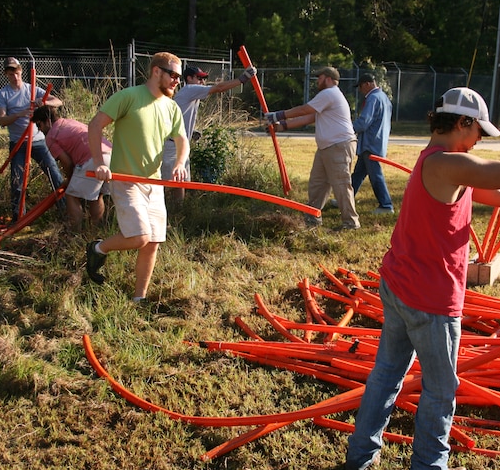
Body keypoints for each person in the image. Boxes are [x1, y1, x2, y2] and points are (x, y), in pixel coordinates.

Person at [345, 87, 500, 470]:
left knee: (387, 374)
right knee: (439, 392)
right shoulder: (447, 164)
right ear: (462, 122)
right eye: (478, 133)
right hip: (429, 302)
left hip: (401, 287)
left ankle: (360, 456)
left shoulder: (440, 164)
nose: (478, 141)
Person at [85, 52, 189, 302]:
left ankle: (138, 299)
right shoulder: (128, 97)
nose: (177, 81)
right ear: (156, 71)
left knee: (152, 242)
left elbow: (182, 139)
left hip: (153, 184)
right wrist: (100, 163)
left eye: (179, 77)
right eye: (173, 75)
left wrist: (180, 162)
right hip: (126, 180)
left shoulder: (171, 107)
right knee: (139, 237)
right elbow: (95, 125)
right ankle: (97, 248)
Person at [266, 66, 360, 230]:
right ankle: (312, 218)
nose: (317, 81)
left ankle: (351, 223)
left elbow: (304, 110)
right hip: (327, 147)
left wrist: (278, 115)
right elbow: (309, 117)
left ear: (328, 79)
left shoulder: (329, 93)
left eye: (320, 77)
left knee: (341, 184)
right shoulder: (327, 97)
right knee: (317, 184)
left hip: (338, 146)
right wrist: (281, 126)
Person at [161, 64, 257, 203]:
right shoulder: (189, 89)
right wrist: (242, 79)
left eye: (204, 79)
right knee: (166, 183)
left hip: (180, 145)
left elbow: (179, 116)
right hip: (171, 147)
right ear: (189, 78)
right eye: (199, 78)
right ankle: (164, 212)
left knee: (181, 181)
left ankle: (178, 210)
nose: (202, 82)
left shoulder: (191, 94)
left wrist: (189, 132)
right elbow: (219, 88)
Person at [0, 56, 66, 223]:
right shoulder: (3, 94)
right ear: (6, 74)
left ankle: (65, 211)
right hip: (18, 143)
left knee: (54, 173)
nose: (15, 75)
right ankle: (19, 219)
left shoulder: (32, 89)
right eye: (10, 72)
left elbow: (58, 101)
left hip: (38, 141)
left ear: (21, 71)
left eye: (17, 71)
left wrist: (44, 102)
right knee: (18, 181)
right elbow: (2, 120)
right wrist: (19, 114)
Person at [32, 105, 113, 231]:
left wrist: (70, 180)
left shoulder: (51, 136)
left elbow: (67, 163)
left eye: (39, 125)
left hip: (92, 159)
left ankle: (75, 232)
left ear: (47, 121)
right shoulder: (68, 122)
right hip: (111, 156)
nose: (40, 130)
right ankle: (95, 231)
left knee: (71, 195)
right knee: (97, 195)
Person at [351, 73, 394, 214]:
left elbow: (364, 122)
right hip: (376, 142)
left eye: (361, 87)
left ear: (367, 84)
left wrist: (348, 129)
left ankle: (386, 205)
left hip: (370, 143)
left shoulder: (373, 98)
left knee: (375, 175)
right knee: (358, 174)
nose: (360, 90)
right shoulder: (384, 98)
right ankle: (346, 199)